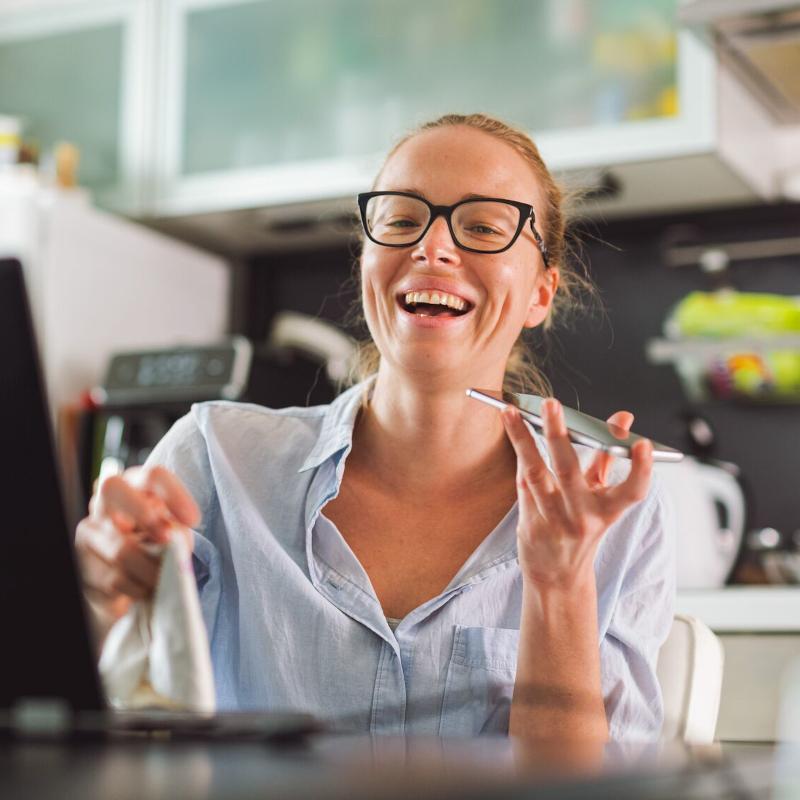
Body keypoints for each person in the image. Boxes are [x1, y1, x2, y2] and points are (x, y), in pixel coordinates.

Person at [75, 113, 674, 741]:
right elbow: (105, 705)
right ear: (366, 261)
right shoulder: (215, 461)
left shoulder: (615, 508)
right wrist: (99, 593)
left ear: (540, 295)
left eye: (484, 227)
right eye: (401, 220)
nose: (433, 247)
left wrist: (560, 585)